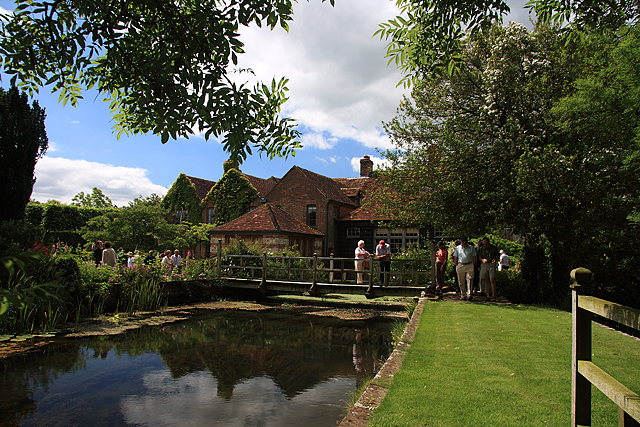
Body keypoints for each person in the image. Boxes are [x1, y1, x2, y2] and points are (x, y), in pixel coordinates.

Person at [479, 237, 500, 302]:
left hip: (491, 263)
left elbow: (498, 256)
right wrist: (482, 260)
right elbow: (479, 257)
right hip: (485, 264)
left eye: (486, 243)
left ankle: (493, 295)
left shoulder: (494, 248)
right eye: (484, 244)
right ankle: (488, 295)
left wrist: (495, 259)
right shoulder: (482, 249)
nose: (485, 245)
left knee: (492, 279)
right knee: (486, 279)